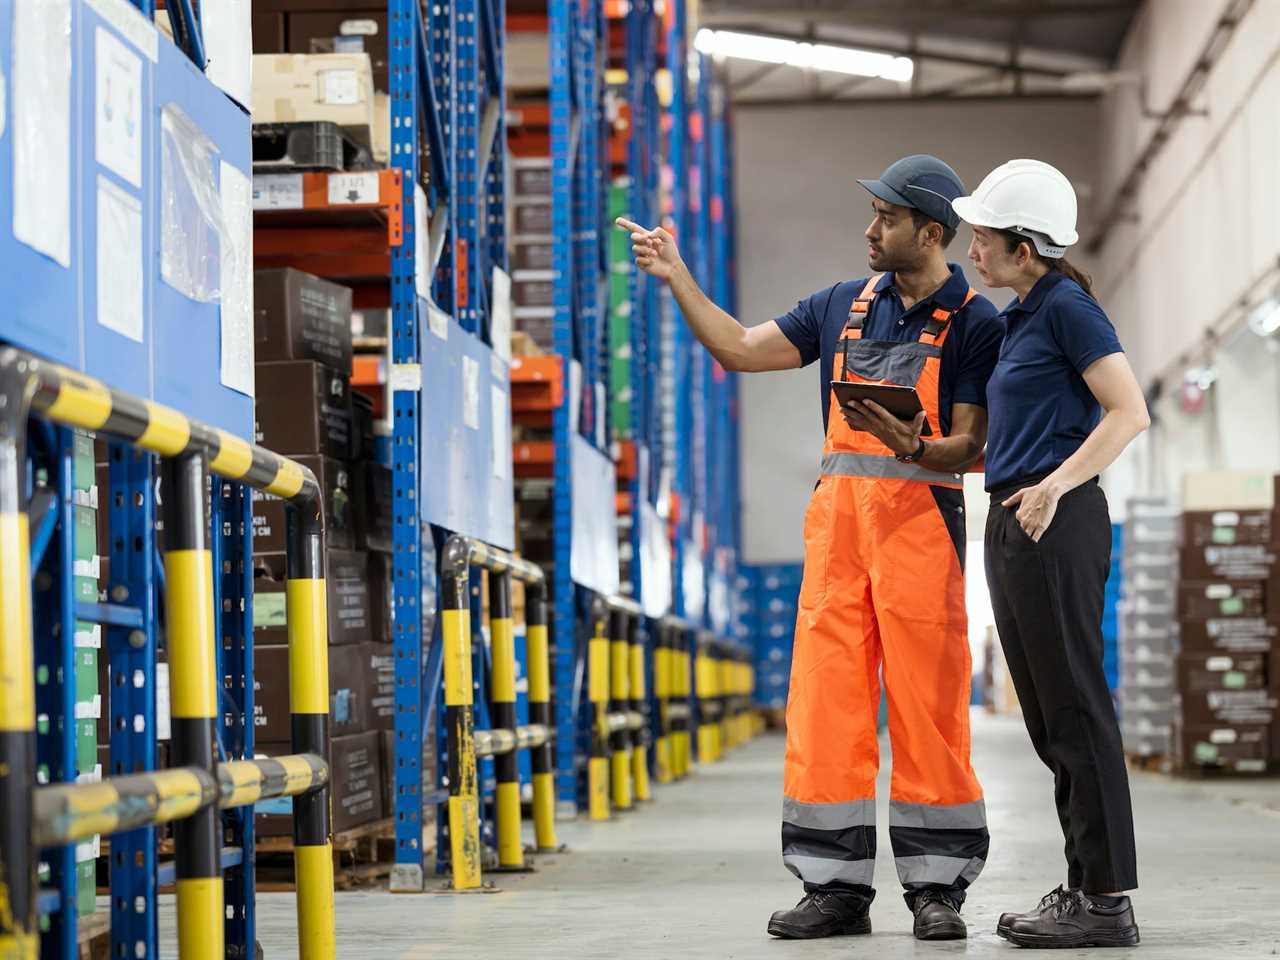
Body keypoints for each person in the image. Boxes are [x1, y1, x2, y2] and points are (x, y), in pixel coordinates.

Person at [617, 154, 1002, 943]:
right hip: (839, 541)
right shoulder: (838, 306)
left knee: (929, 712)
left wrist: (918, 445)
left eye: (887, 219)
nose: (870, 229)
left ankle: (936, 887)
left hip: (924, 533)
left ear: (931, 233)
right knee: (826, 708)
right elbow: (738, 350)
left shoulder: (974, 321)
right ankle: (833, 887)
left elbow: (973, 444)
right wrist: (677, 274)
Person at [951, 159, 1148, 949]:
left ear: (1025, 248)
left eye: (983, 238)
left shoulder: (1068, 309)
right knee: (1046, 716)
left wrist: (1055, 486)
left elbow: (1128, 412)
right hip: (1015, 515)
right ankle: (1084, 885)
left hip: (1054, 517)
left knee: (1074, 708)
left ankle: (1105, 901)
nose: (973, 250)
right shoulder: (1021, 318)